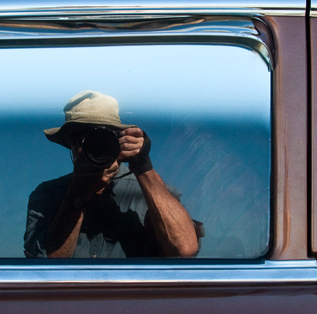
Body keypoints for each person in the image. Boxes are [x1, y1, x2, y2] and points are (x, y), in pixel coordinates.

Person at [24, 90, 199, 258]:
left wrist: (142, 165)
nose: (93, 145)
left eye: (103, 137)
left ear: (119, 139)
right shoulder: (48, 195)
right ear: (70, 143)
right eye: (80, 138)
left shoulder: (149, 192)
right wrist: (77, 194)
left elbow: (184, 249)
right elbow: (47, 267)